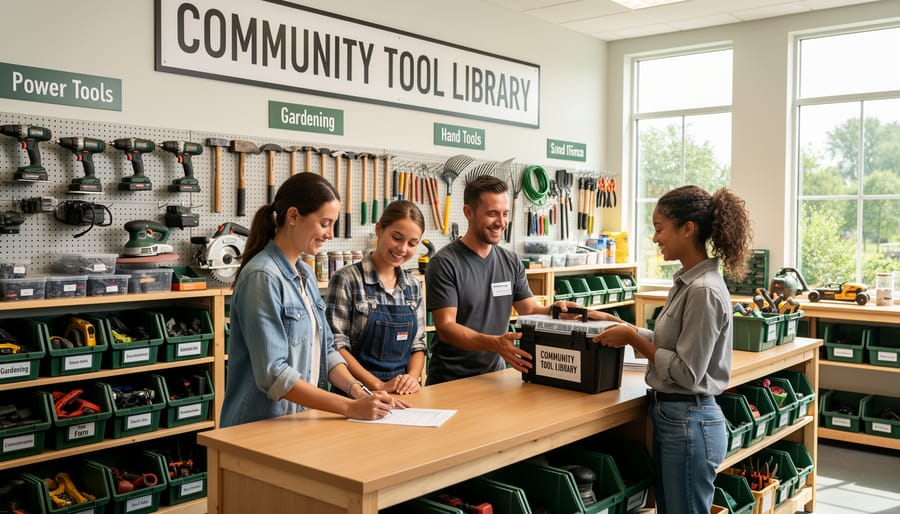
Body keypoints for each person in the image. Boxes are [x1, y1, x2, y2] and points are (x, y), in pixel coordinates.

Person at [593, 185, 753, 514]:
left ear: (687, 229)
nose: (655, 238)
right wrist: (620, 325)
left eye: (659, 229)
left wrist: (633, 340)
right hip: (675, 419)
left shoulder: (703, 290)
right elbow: (671, 343)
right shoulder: (687, 281)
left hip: (689, 422)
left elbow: (686, 371)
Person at [220, 173, 408, 428]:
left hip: (299, 421)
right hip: (260, 427)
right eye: (325, 223)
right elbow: (274, 373)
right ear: (294, 216)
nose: (330, 234)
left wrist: (360, 392)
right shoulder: (262, 277)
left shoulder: (305, 273)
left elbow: (327, 351)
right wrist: (349, 407)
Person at [425, 175, 582, 385]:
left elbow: (529, 309)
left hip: (494, 377)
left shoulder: (510, 261)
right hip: (450, 380)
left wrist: (555, 311)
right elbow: (446, 328)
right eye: (492, 214)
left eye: (505, 214)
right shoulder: (444, 263)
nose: (501, 222)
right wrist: (495, 343)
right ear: (468, 213)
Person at [326, 200, 426, 395]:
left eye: (412, 243)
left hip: (402, 395)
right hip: (354, 394)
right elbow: (336, 346)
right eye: (397, 237)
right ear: (379, 228)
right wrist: (377, 385)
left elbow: (418, 345)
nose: (403, 249)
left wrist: (411, 380)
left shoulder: (413, 286)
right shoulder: (347, 279)